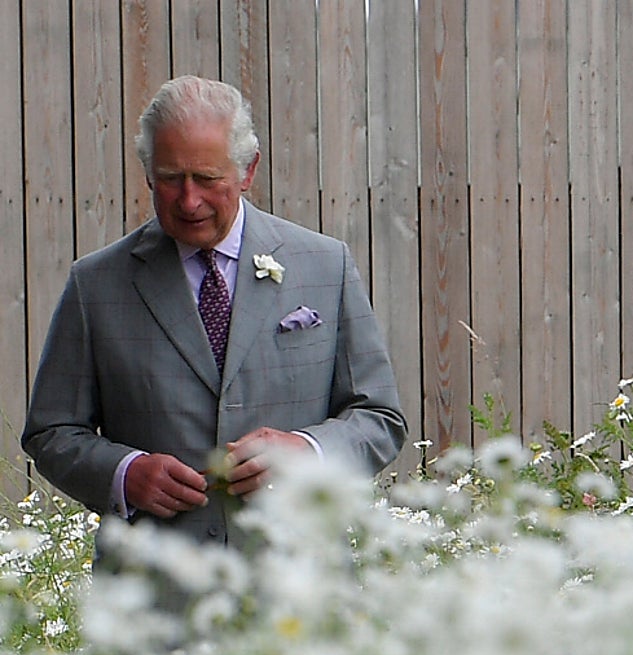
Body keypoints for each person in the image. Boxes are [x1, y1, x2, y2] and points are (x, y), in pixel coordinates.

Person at [22, 75, 407, 555]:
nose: (189, 200)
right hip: (152, 599)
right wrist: (125, 474)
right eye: (169, 179)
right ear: (147, 174)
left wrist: (307, 452)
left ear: (247, 171)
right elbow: (51, 432)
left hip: (301, 593)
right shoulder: (96, 284)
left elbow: (379, 418)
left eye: (207, 178)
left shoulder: (325, 266)